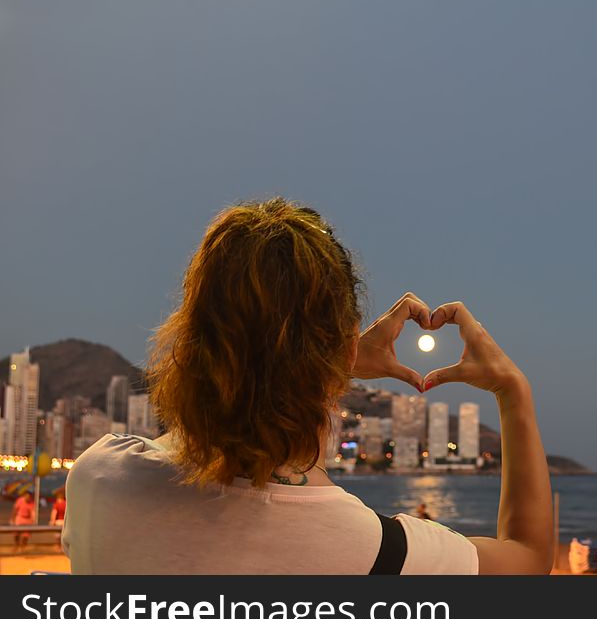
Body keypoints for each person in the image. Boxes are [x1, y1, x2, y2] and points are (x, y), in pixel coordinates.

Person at [63, 198, 552, 574]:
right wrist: (513, 391)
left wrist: (324, 360)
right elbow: (528, 557)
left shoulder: (100, 480)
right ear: (342, 348)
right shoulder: (381, 554)